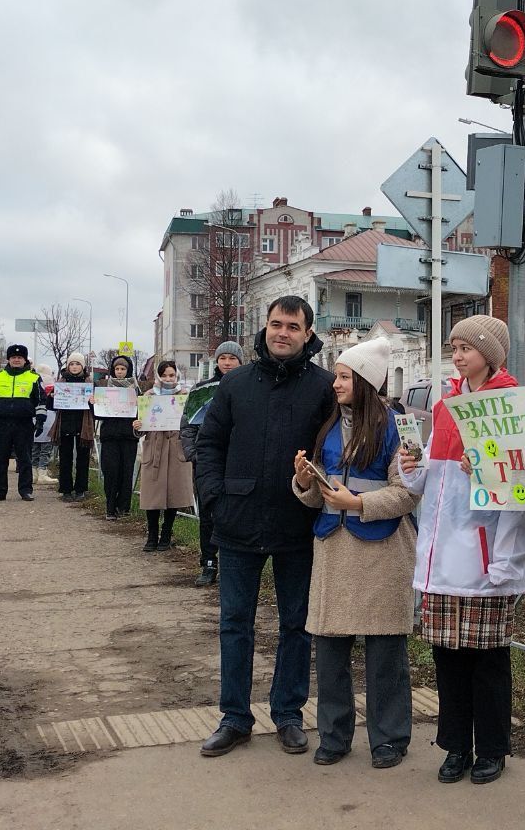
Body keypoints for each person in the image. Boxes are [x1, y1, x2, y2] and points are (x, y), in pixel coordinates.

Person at [399, 315, 525, 787]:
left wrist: (507, 560)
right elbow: (429, 481)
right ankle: (455, 744)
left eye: (466, 348)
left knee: (488, 660)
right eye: (454, 347)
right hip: (441, 555)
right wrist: (412, 465)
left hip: (483, 558)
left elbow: (521, 493)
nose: (457, 356)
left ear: (491, 355)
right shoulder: (447, 403)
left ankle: (492, 748)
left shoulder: (510, 407)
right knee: (448, 657)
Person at [195, 296, 335, 758]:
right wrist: (214, 496)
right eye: (276, 324)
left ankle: (288, 714)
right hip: (237, 520)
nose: (283, 333)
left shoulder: (323, 388)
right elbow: (209, 442)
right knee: (236, 624)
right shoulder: (235, 383)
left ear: (308, 334)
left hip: (298, 523)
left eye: (293, 326)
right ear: (265, 327)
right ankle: (234, 718)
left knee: (296, 624)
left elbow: (335, 449)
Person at [292, 336, 419, 769]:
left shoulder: (396, 427)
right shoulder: (329, 427)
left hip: (382, 554)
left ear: (364, 381)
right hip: (333, 549)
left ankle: (389, 739)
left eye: (343, 376)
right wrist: (306, 482)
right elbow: (319, 497)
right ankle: (333, 735)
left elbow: (408, 494)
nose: (335, 384)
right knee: (329, 653)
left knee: (385, 655)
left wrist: (359, 504)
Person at [180, 341, 245, 587]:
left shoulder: (248, 386)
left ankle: (233, 565)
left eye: (232, 358)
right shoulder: (202, 390)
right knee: (208, 514)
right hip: (207, 461)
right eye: (223, 358)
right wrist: (194, 453)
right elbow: (187, 425)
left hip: (237, 461)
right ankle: (208, 563)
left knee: (234, 513)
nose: (227, 363)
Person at [134, 360, 194, 551]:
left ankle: (166, 535)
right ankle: (152, 535)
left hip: (176, 449)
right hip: (155, 450)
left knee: (173, 495)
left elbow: (191, 423)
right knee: (152, 495)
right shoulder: (149, 396)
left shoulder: (185, 396)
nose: (168, 379)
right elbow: (141, 427)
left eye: (172, 375)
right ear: (158, 376)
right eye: (165, 375)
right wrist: (137, 426)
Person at [0, 345, 46, 502]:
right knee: (1, 458)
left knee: (25, 458)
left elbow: (41, 400)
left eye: (20, 358)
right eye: (13, 357)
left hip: (24, 423)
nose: (16, 360)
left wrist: (40, 420)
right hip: (2, 423)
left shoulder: (34, 378)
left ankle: (25, 490)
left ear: (25, 360)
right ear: (8, 359)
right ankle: (0, 491)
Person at [97, 355, 141, 520]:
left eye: (123, 369)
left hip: (129, 436)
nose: (120, 372)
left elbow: (141, 411)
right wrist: (93, 402)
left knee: (126, 472)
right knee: (110, 471)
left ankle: (124, 507)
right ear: (113, 371)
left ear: (128, 370)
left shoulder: (136, 389)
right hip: (110, 436)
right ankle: (110, 507)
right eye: (117, 369)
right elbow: (97, 414)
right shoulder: (105, 388)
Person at [52, 352, 94, 501]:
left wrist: (93, 402)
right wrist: (52, 397)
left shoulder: (89, 383)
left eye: (77, 364)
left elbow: (96, 409)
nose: (75, 367)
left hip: (83, 426)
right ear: (67, 366)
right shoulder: (61, 382)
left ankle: (81, 489)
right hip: (65, 425)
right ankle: (66, 489)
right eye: (72, 364)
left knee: (83, 459)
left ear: (82, 366)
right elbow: (51, 406)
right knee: (65, 459)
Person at [32, 400, 58, 486]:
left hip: (35, 419)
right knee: (45, 452)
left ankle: (34, 474)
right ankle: (42, 474)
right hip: (47, 420)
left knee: (34, 451)